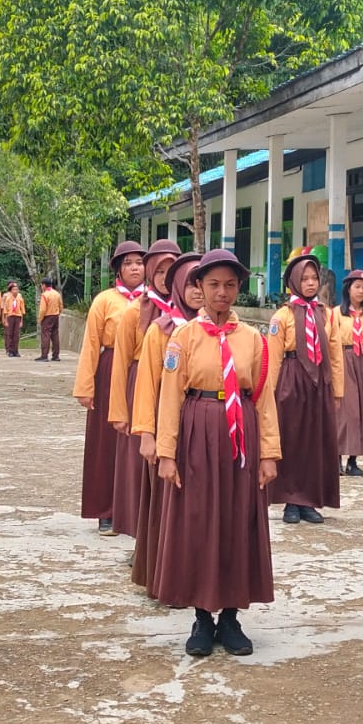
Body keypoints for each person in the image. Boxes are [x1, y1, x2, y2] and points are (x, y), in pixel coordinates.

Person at [154, 250, 279, 657]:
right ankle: (202, 618)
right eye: (212, 285)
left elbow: (263, 398)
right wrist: (167, 452)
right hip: (198, 430)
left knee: (236, 520)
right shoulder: (183, 337)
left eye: (229, 285)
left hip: (240, 430)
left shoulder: (254, 340)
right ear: (198, 289)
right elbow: (171, 396)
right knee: (199, 520)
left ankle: (230, 617)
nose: (221, 293)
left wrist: (268, 454)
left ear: (238, 289)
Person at [130, 253, 202, 598]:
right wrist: (147, 433)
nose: (198, 291)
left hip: (203, 432)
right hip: (169, 429)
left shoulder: (216, 331)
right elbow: (147, 385)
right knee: (167, 509)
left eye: (201, 283)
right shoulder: (161, 332)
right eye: (190, 283)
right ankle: (166, 578)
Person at [72, 241, 146, 534]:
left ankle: (138, 508)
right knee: (107, 441)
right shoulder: (105, 300)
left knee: (140, 439)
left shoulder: (155, 301)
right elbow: (91, 342)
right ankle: (107, 508)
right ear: (118, 268)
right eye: (128, 263)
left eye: (139, 262)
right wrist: (85, 386)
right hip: (110, 367)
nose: (135, 268)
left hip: (142, 369)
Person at [110, 239, 181, 540]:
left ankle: (171, 535)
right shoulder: (135, 311)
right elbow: (121, 362)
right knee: (140, 468)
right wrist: (119, 411)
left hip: (177, 391)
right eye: (160, 270)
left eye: (172, 270)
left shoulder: (189, 311)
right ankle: (143, 540)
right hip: (140, 386)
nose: (166, 277)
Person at [266, 253, 343, 525]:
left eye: (314, 278)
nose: (310, 284)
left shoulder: (327, 314)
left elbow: (335, 353)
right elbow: (273, 356)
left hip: (319, 383)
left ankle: (309, 500)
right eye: (304, 279)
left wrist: (337, 391)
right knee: (292, 439)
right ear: (293, 283)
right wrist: (269, 396)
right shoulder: (282, 316)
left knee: (315, 441)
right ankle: (290, 499)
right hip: (291, 379)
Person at [330, 269, 363, 477]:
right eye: (357, 287)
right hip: (344, 359)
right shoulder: (336, 314)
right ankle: (337, 457)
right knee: (345, 410)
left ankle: (354, 460)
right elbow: (330, 341)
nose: (361, 291)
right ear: (348, 289)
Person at [36, 277, 63, 361]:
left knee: (46, 335)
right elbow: (61, 306)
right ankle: (56, 355)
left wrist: (40, 318)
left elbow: (43, 309)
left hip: (47, 316)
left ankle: (44, 355)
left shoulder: (45, 295)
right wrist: (58, 313)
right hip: (55, 316)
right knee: (55, 335)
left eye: (41, 285)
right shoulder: (57, 294)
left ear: (44, 285)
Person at [2, 280, 25, 358]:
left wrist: (21, 320)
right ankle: (10, 350)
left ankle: (16, 350)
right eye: (14, 289)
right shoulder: (8, 298)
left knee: (16, 334)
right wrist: (5, 319)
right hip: (10, 316)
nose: (15, 291)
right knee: (9, 334)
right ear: (11, 291)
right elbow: (5, 309)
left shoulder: (20, 298)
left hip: (17, 316)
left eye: (17, 289)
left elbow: (22, 310)